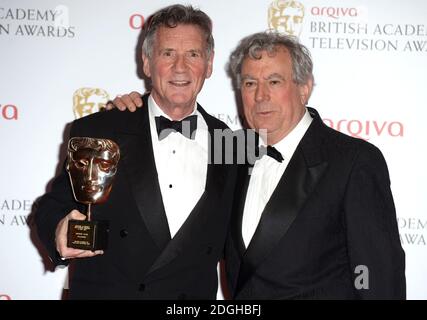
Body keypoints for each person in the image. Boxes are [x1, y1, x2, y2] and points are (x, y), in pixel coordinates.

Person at [110, 32, 406, 299]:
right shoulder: (230, 150)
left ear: (304, 88)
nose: (260, 96)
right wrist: (132, 114)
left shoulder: (353, 161)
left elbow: (380, 278)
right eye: (250, 83)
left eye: (274, 82)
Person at [35, 4, 237, 299]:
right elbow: (52, 205)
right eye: (167, 53)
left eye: (193, 54)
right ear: (146, 62)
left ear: (208, 64)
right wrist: (58, 231)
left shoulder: (232, 143)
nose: (180, 67)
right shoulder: (102, 130)